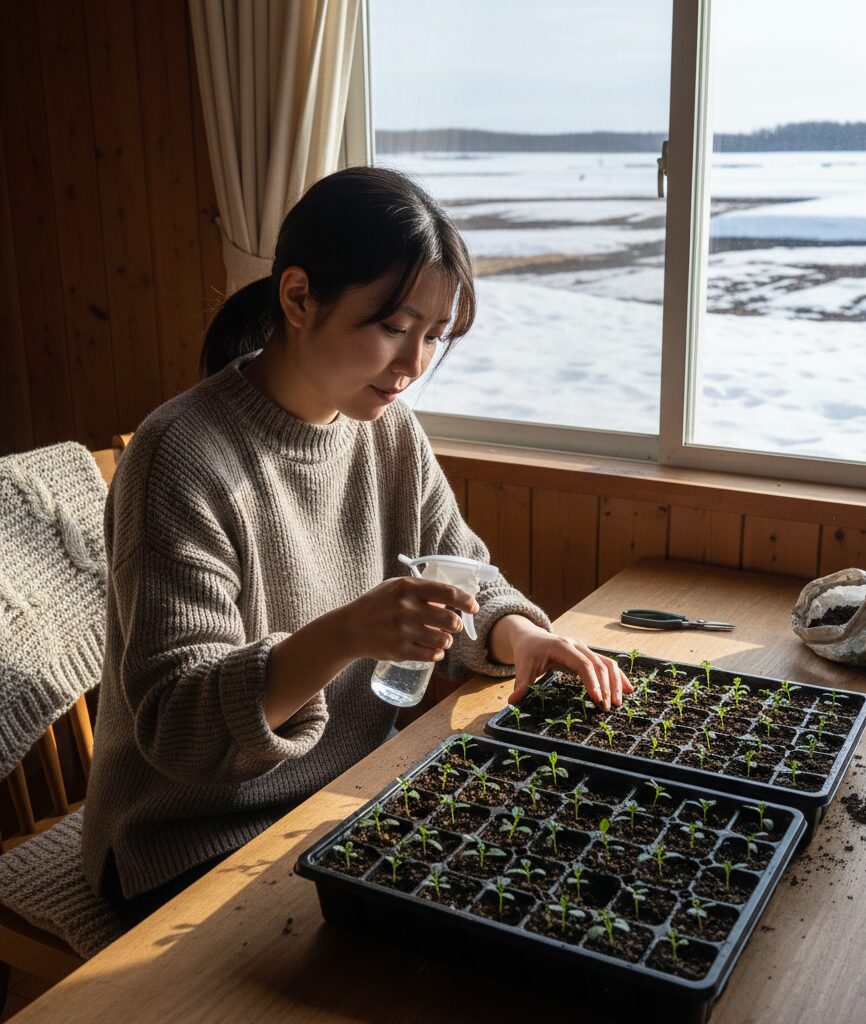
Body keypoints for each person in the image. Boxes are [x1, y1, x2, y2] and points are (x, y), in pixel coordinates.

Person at [82, 165, 630, 926]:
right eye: (393, 328)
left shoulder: (388, 432)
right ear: (300, 297)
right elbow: (179, 724)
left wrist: (521, 634)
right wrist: (345, 634)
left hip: (348, 795)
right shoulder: (179, 454)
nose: (413, 365)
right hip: (186, 838)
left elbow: (462, 564)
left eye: (434, 337)